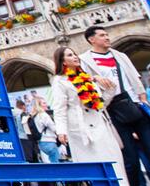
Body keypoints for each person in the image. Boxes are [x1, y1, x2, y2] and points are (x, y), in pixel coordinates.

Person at [81, 26, 150, 186]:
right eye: (102, 35)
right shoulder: (84, 60)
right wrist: (94, 78)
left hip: (136, 107)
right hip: (112, 111)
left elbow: (137, 81)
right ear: (92, 39)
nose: (107, 37)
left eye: (107, 34)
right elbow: (83, 85)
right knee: (130, 160)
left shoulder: (121, 56)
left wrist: (145, 104)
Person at [51, 46, 128, 185]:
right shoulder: (60, 81)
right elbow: (59, 109)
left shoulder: (87, 78)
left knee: (114, 162)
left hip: (100, 124)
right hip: (81, 129)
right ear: (62, 62)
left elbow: (101, 104)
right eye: (70, 55)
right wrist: (61, 131)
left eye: (74, 53)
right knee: (95, 165)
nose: (75, 56)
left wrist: (110, 88)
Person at [32, 97, 61, 164]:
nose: (46, 104)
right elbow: (54, 128)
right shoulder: (44, 115)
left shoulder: (35, 116)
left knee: (48, 162)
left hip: (41, 143)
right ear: (39, 105)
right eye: (44, 103)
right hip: (49, 141)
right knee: (55, 163)